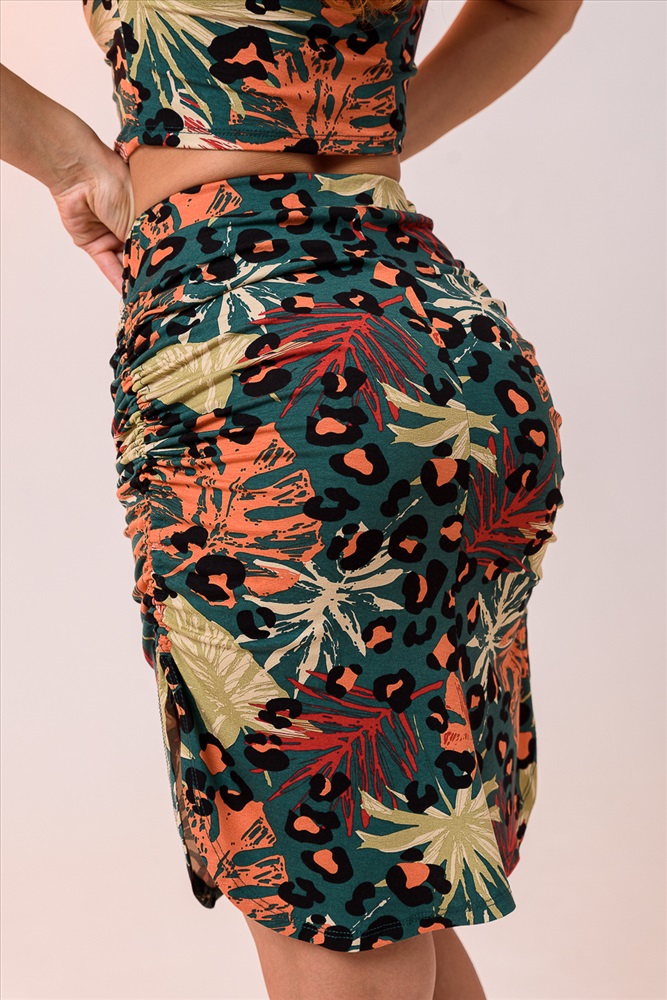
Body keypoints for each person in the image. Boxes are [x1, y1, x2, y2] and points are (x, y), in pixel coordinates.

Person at [0, 0, 580, 996]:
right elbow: (533, 7)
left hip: (263, 361)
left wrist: (67, 157)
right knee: (386, 879)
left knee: (333, 904)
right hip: (448, 345)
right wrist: (354, 136)